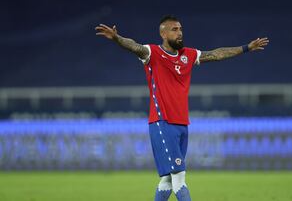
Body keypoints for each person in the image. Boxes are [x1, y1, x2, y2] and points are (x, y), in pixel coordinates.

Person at [95, 15, 269, 201]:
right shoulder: (152, 53)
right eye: (174, 30)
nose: (180, 33)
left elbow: (217, 54)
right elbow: (134, 46)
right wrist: (117, 38)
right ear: (163, 33)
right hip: (162, 123)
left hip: (182, 124)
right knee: (179, 179)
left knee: (167, 181)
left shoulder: (189, 54)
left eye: (180, 29)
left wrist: (246, 48)